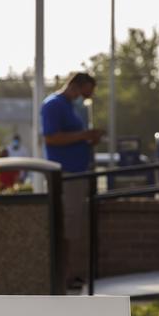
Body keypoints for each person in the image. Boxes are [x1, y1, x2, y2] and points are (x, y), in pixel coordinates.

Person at [41, 72, 104, 288]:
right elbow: (51, 137)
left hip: (77, 173)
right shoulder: (53, 105)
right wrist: (84, 135)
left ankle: (68, 274)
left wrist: (89, 139)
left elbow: (71, 137)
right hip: (67, 175)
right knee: (66, 225)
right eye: (89, 90)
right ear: (79, 85)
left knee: (73, 226)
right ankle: (62, 276)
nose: (89, 96)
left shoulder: (71, 107)